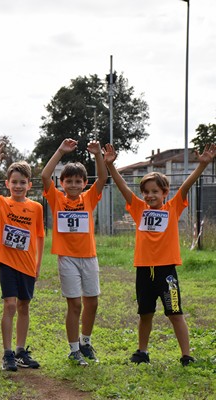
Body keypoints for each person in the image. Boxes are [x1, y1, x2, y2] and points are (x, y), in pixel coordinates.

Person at [104, 142, 216, 367]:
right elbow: (123, 187)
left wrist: (202, 165)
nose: (150, 195)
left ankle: (186, 355)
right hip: (144, 270)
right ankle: (142, 351)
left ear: (164, 193)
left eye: (155, 191)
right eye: (146, 192)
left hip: (167, 272)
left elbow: (186, 186)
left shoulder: (172, 208)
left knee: (175, 313)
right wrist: (111, 167)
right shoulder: (138, 209)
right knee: (145, 313)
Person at [40, 138, 107, 366]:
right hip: (67, 258)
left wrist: (98, 155)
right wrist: (60, 150)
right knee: (74, 304)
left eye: (78, 181)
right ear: (62, 183)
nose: (74, 185)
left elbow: (103, 178)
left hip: (89, 257)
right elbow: (44, 176)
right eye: (69, 181)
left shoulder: (88, 198)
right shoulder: (57, 198)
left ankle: (85, 342)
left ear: (84, 183)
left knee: (92, 302)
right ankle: (73, 348)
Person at [0, 141, 44, 372]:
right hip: (7, 263)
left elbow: (39, 236)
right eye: (14, 182)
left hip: (27, 265)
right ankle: (7, 353)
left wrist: (38, 266)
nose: (18, 186)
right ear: (7, 184)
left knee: (24, 306)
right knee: (10, 306)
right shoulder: (1, 203)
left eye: (22, 182)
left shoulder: (36, 207)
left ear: (29, 185)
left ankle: (20, 351)